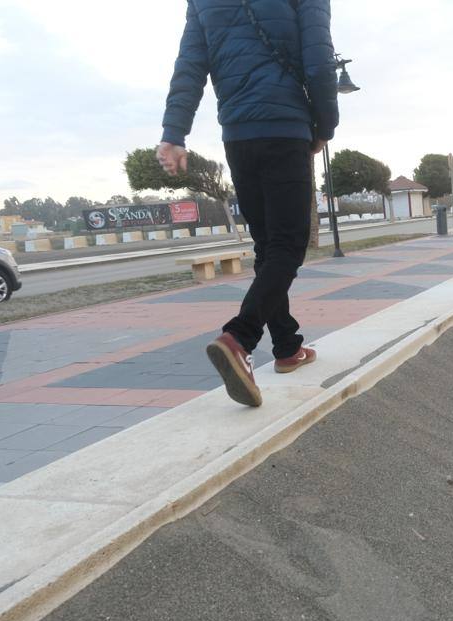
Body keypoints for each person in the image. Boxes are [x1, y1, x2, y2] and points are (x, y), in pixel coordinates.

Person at [157, 0, 339, 407]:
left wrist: (174, 132)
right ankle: (239, 338)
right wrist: (324, 126)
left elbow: (190, 64)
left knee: (268, 246)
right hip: (284, 125)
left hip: (238, 134)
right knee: (289, 244)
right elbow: (318, 58)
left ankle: (288, 348)